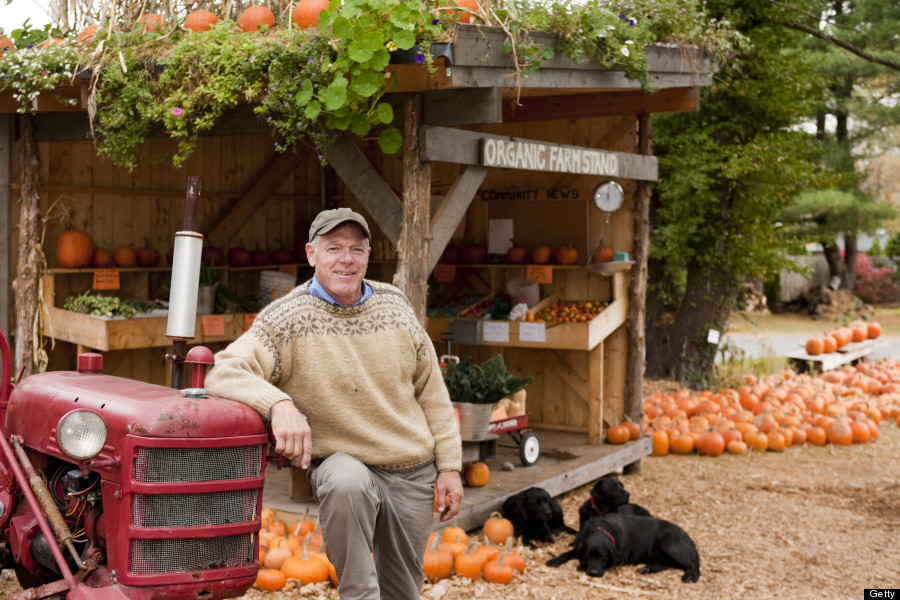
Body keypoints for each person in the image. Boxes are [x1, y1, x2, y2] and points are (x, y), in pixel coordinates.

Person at [205, 207, 464, 600]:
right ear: (311, 254)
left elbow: (431, 391)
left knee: (404, 591)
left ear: (368, 255)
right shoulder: (285, 319)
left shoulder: (394, 305)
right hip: (344, 464)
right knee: (345, 482)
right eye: (334, 248)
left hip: (412, 470)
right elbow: (223, 370)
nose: (347, 259)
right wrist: (278, 404)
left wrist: (450, 466)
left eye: (357, 249)